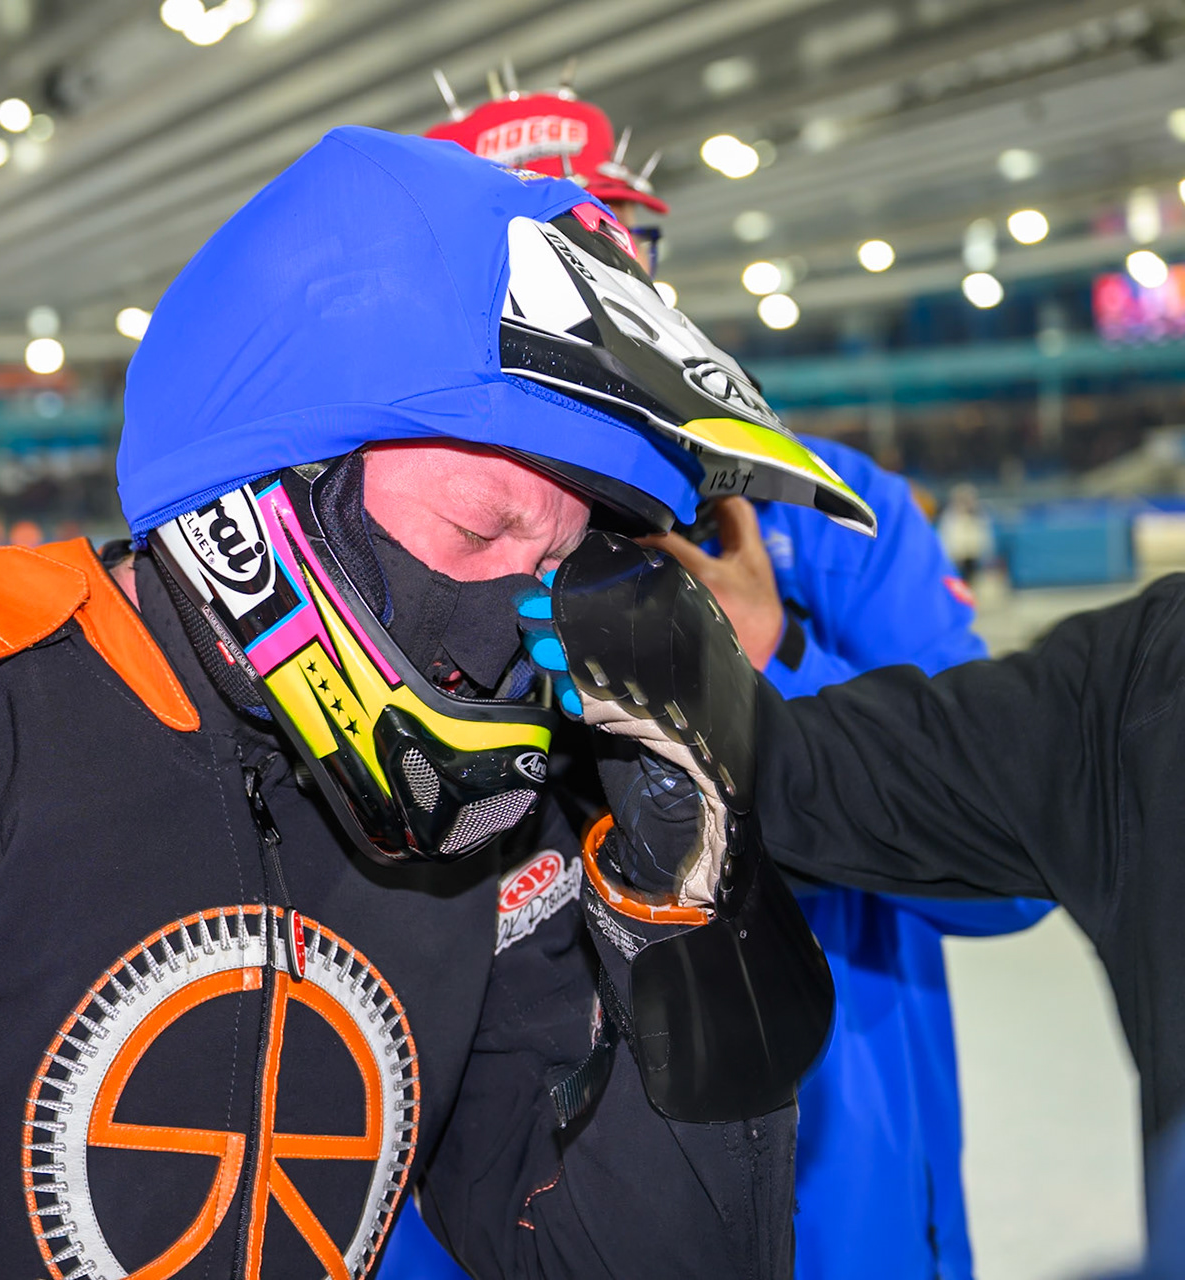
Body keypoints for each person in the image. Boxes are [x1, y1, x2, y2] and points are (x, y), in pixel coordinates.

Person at [0, 128, 867, 1277]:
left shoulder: (494, 831)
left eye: (563, 562)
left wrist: (692, 914)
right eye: (478, 531)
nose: (529, 621)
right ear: (272, 478)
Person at [404, 76, 1048, 1280]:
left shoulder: (829, 519)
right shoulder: (394, 556)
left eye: (623, 253)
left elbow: (1014, 865)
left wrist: (768, 661)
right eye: (557, 264)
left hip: (856, 1229)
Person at [544, 546, 1185, 1224]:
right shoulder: (1151, 680)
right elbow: (823, 776)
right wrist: (701, 684)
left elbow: (1004, 909)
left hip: (859, 1137)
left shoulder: (855, 525)